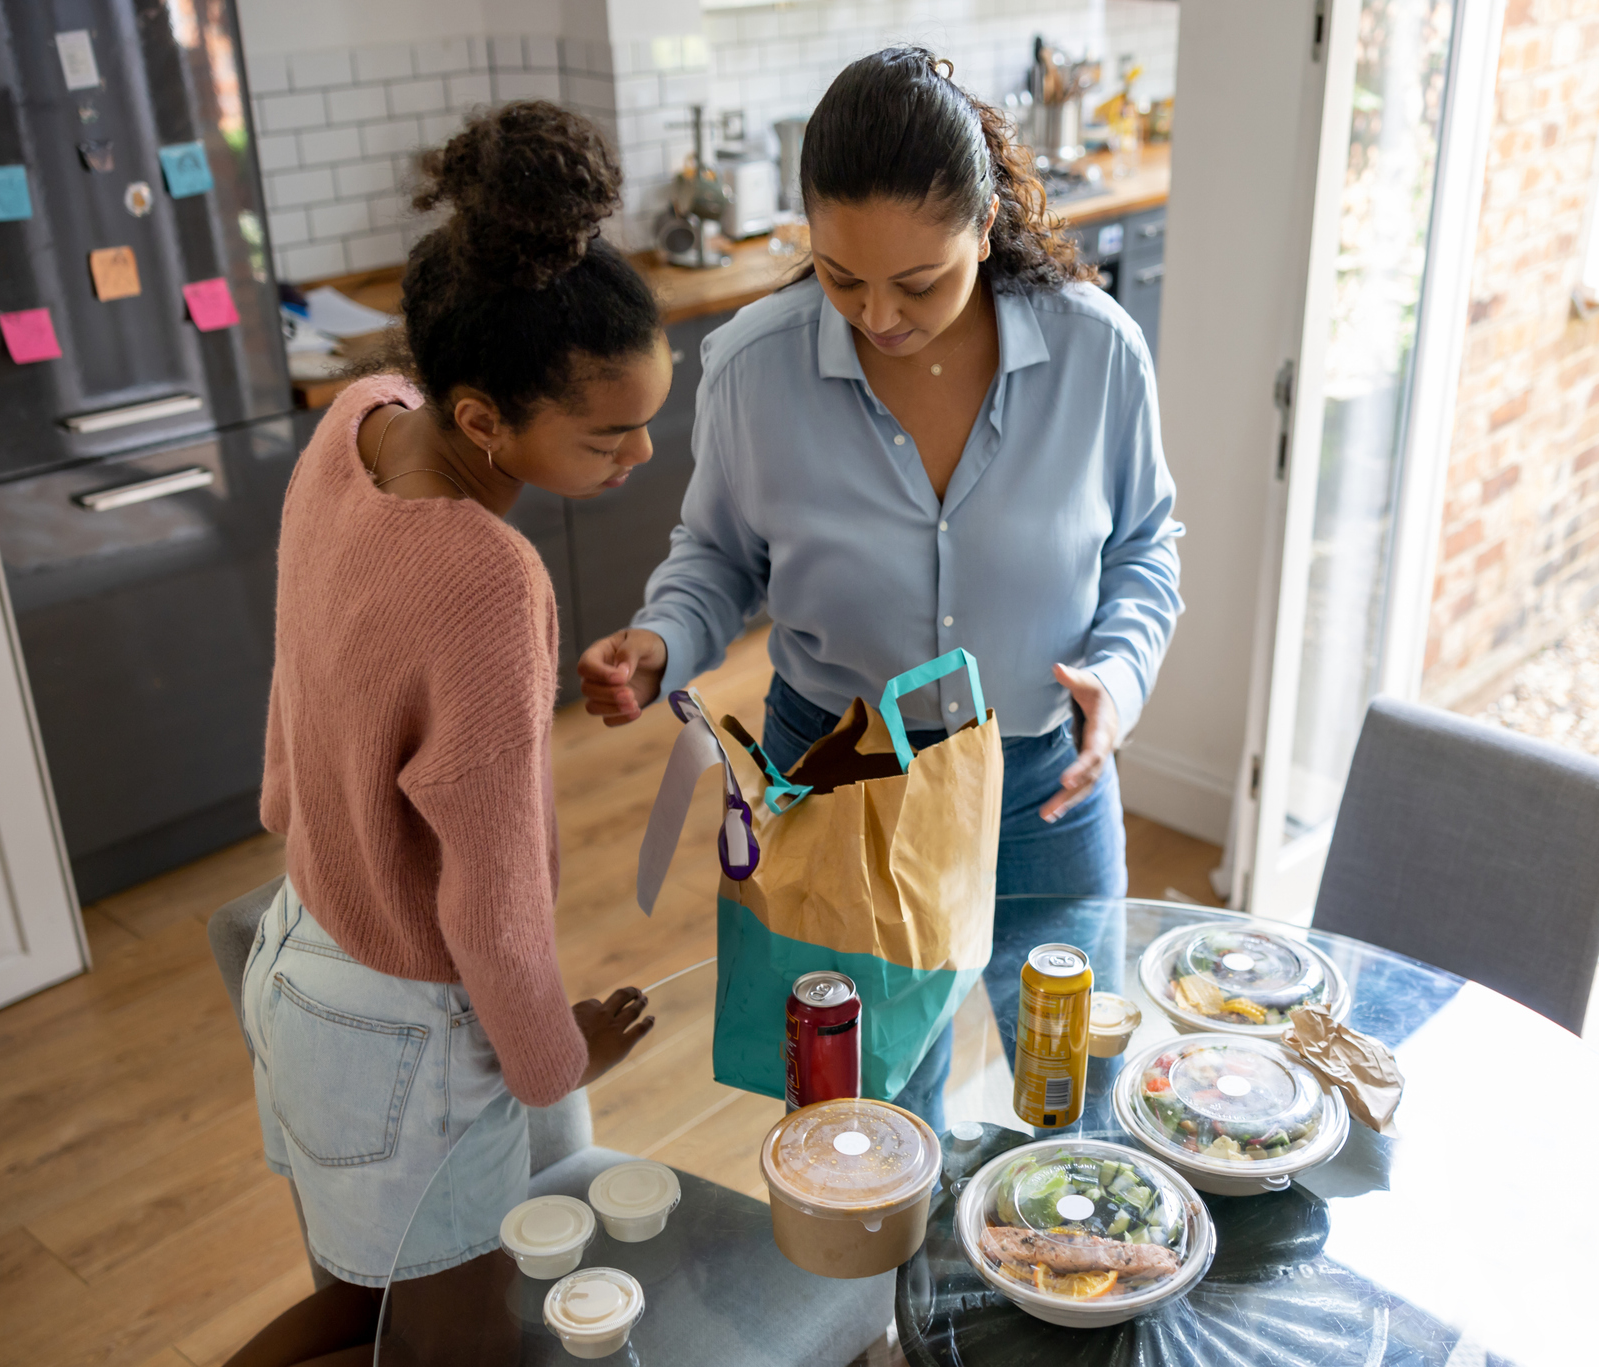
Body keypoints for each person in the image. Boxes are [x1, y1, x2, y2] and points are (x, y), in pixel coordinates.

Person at [576, 48, 1184, 1127]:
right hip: (844, 788)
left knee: (1078, 1108)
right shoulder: (754, 367)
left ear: (986, 223)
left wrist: (1119, 673)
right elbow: (716, 554)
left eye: (918, 281)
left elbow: (1145, 544)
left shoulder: (1101, 355)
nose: (877, 315)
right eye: (840, 276)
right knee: (865, 1129)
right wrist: (665, 636)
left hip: (1047, 782)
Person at [231, 102, 672, 1367]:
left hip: (303, 952)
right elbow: (490, 901)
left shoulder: (357, 420)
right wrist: (553, 1057)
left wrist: (297, 804)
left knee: (366, 1312)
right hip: (404, 1029)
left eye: (651, 412)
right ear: (484, 418)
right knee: (455, 1351)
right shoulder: (488, 575)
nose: (642, 453)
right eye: (606, 432)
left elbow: (304, 652)